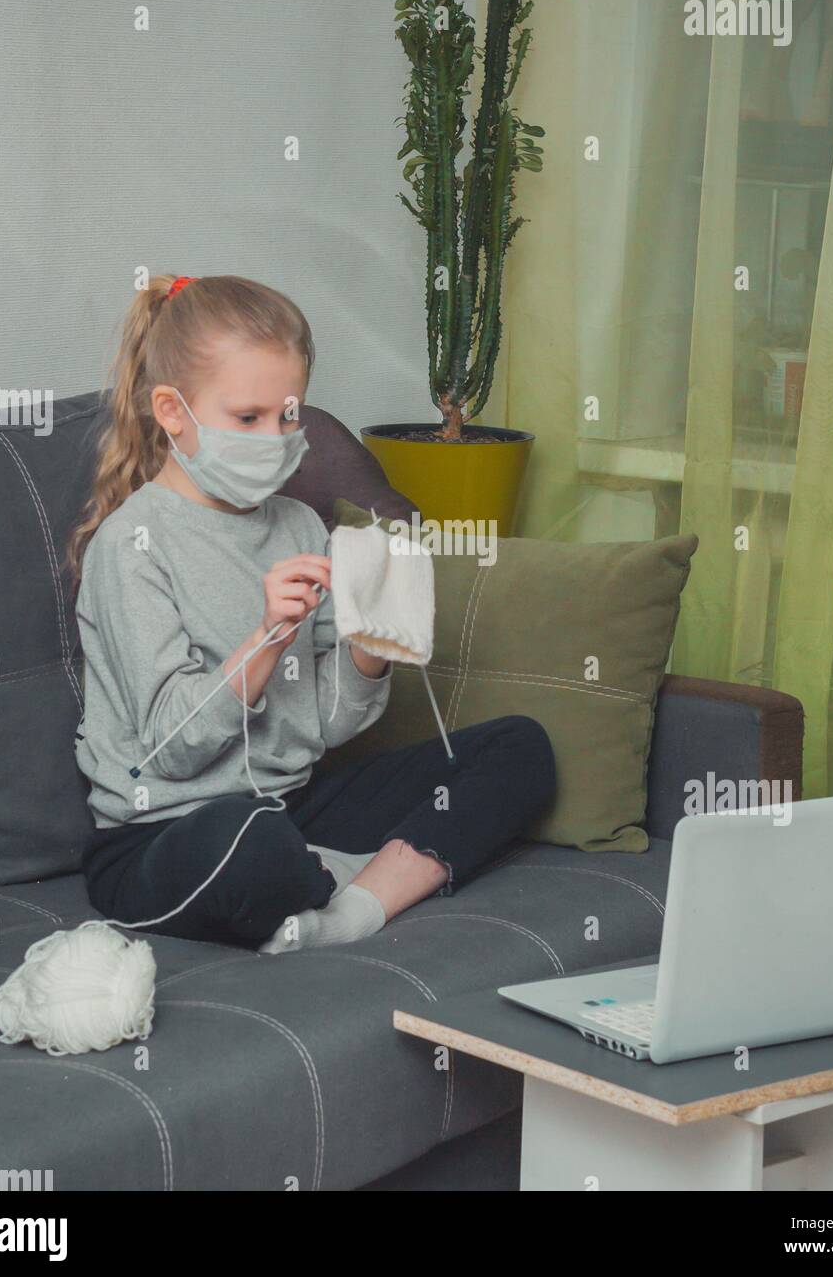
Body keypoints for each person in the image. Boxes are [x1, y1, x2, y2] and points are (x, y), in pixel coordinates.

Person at [67, 273, 558, 954]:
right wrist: (268, 638)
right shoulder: (131, 544)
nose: (275, 438)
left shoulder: (299, 524)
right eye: (247, 419)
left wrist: (371, 648)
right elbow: (172, 751)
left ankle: (350, 909)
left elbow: (325, 727)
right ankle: (353, 869)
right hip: (168, 831)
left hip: (292, 804)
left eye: (288, 415)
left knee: (520, 749)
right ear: (173, 411)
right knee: (252, 843)